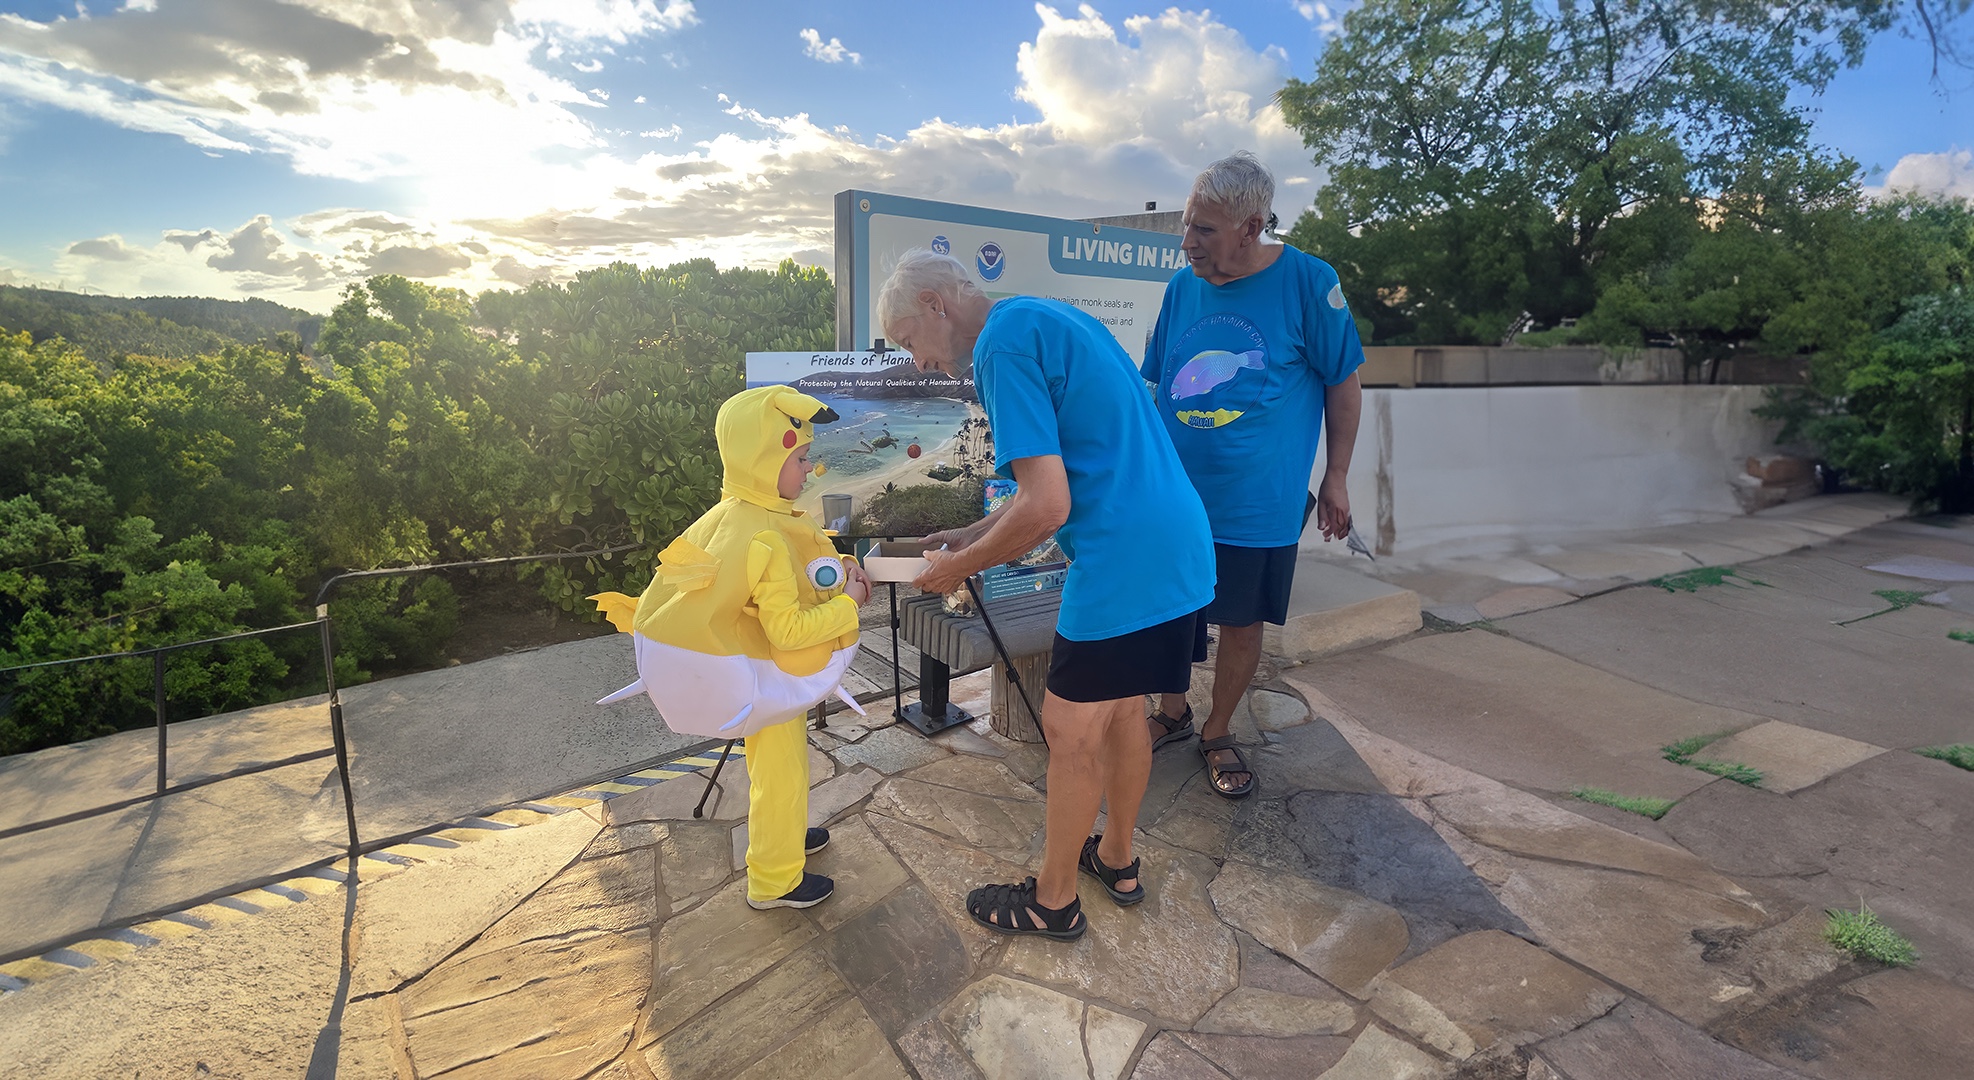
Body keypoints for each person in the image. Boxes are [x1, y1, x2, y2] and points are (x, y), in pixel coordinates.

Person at [881, 249, 1215, 940]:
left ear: (938, 305)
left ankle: (1053, 899)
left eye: (909, 340)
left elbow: (1047, 507)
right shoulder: (1043, 316)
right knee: (1125, 713)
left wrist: (956, 568)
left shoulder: (1000, 348)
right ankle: (1117, 859)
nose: (916, 362)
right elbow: (1049, 486)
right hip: (1176, 543)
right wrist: (972, 530)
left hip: (1122, 556)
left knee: (1068, 732)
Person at [589, 385, 872, 911]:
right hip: (764, 670)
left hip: (744, 667)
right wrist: (850, 603)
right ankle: (774, 879)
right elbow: (788, 629)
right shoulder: (766, 532)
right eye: (801, 457)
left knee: (772, 770)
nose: (809, 470)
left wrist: (833, 578)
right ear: (766, 458)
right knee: (783, 773)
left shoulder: (732, 514)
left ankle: (780, 839)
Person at [1141, 151, 1365, 799]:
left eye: (1204, 230)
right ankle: (1172, 711)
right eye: (1187, 226)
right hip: (1176, 499)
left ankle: (1217, 729)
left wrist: (1337, 477)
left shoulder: (1307, 281)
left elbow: (1343, 387)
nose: (1188, 243)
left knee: (1240, 622)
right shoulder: (1182, 285)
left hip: (1258, 502)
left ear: (1252, 225)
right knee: (1171, 612)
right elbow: (1157, 382)